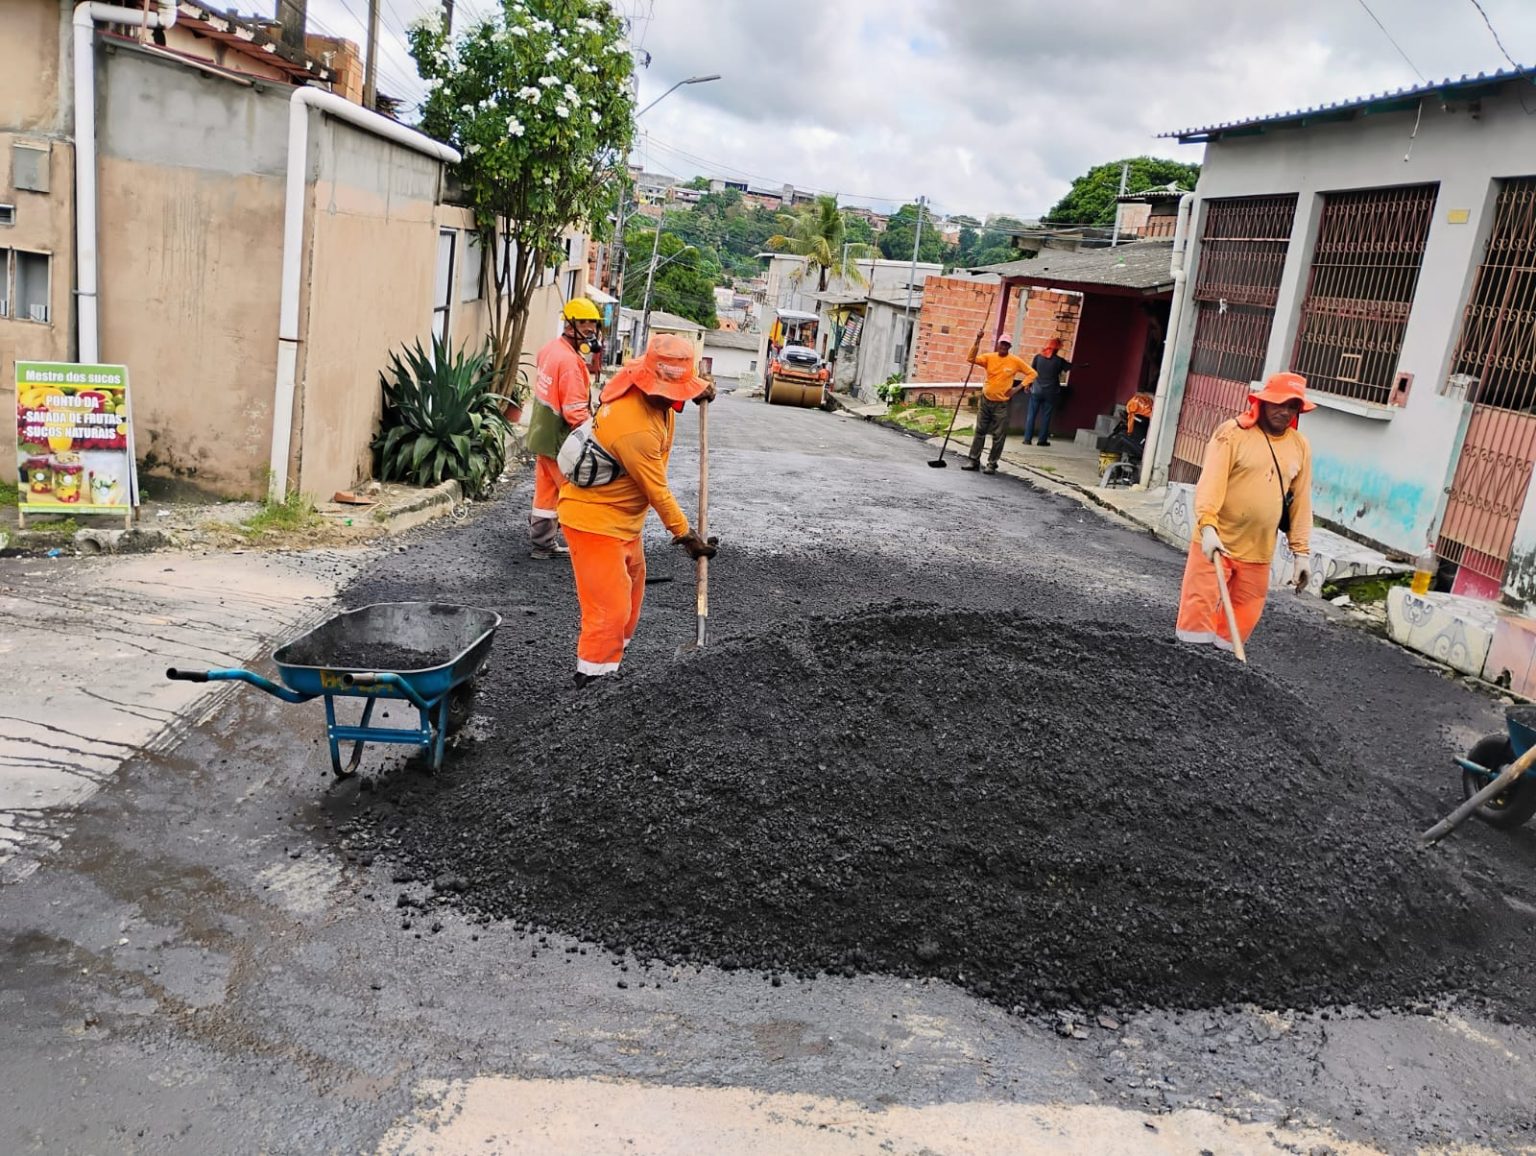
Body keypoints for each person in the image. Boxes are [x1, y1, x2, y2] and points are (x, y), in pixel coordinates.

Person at [557, 333, 718, 686]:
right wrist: (686, 536)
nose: (666, 397)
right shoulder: (634, 429)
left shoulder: (638, 375)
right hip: (595, 522)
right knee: (609, 611)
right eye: (665, 391)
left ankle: (611, 666)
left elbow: (675, 385)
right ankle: (592, 684)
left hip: (625, 522)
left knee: (631, 597)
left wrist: (695, 391)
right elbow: (657, 491)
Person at [1175, 372, 1314, 652]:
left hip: (1259, 553)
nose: (1285, 412)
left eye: (1292, 406)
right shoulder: (1232, 434)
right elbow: (1210, 484)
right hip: (1216, 545)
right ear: (1262, 402)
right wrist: (1208, 526)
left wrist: (1302, 554)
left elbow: (1300, 501)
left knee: (1238, 623)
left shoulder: (1299, 446)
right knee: (1196, 617)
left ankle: (1223, 674)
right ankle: (1184, 666)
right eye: (1279, 404)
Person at [526, 298, 604, 559]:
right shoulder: (570, 363)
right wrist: (595, 438)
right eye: (584, 322)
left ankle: (541, 545)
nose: (590, 329)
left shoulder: (549, 350)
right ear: (570, 325)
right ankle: (587, 547)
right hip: (561, 440)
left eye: (593, 322)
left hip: (541, 434)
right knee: (577, 493)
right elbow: (574, 411)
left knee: (545, 493)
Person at [962, 333, 1036, 474]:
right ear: (998, 344)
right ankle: (973, 460)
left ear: (1009, 347)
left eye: (1006, 344)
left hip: (1001, 404)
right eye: (1002, 343)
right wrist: (977, 339)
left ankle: (992, 464)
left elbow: (1032, 373)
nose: (1003, 346)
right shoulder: (990, 357)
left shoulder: (1014, 361)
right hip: (985, 400)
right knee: (980, 431)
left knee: (998, 435)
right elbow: (970, 358)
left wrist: (1017, 388)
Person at [1024, 338, 1072, 446]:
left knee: (1031, 415)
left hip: (1036, 391)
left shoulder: (1037, 358)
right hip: (1051, 393)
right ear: (1057, 349)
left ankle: (1027, 439)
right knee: (1046, 416)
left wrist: (1027, 384)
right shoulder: (1059, 361)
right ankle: (1042, 440)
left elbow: (1031, 372)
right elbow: (1070, 367)